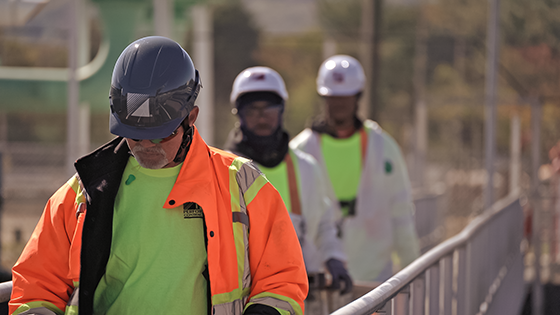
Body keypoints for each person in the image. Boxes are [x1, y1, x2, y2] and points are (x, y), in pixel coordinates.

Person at [9, 36, 308, 315]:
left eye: (161, 135)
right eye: (135, 136)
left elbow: (282, 280)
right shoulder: (84, 192)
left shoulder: (242, 185)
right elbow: (35, 285)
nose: (146, 146)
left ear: (191, 117)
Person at [223, 67, 352, 312]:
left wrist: (333, 257)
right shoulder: (221, 170)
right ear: (238, 113)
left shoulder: (306, 168)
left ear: (282, 110)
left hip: (302, 300)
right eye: (253, 110)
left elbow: (324, 224)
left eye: (269, 109)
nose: (262, 117)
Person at [290, 55, 420, 283]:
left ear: (357, 97)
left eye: (345, 97)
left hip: (374, 280)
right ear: (323, 97)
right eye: (333, 97)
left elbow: (401, 214)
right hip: (319, 284)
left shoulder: (383, 148)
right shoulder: (300, 150)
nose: (339, 103)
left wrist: (415, 275)